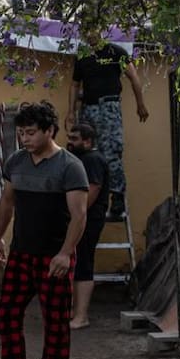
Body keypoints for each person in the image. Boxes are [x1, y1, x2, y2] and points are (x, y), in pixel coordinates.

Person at [0, 102, 88, 359]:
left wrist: (65, 254)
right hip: (21, 254)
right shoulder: (16, 162)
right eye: (21, 133)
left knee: (56, 323)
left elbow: (79, 215)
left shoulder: (70, 166)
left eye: (31, 133)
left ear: (49, 131)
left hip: (54, 257)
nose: (25, 139)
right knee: (7, 315)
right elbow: (7, 201)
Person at [65, 35, 148, 220]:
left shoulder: (116, 52)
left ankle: (117, 200)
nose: (90, 34)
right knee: (85, 152)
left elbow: (134, 77)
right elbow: (74, 84)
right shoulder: (82, 55)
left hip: (108, 107)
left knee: (111, 152)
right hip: (88, 108)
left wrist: (140, 104)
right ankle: (89, 198)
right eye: (86, 30)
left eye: (93, 28)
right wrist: (70, 111)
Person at [66, 122, 109, 330]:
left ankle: (81, 316)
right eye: (70, 138)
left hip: (88, 219)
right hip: (80, 218)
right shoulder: (82, 159)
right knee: (76, 263)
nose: (70, 142)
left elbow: (93, 188)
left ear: (88, 141)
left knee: (83, 262)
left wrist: (79, 213)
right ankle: (75, 313)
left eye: (75, 139)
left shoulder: (93, 159)